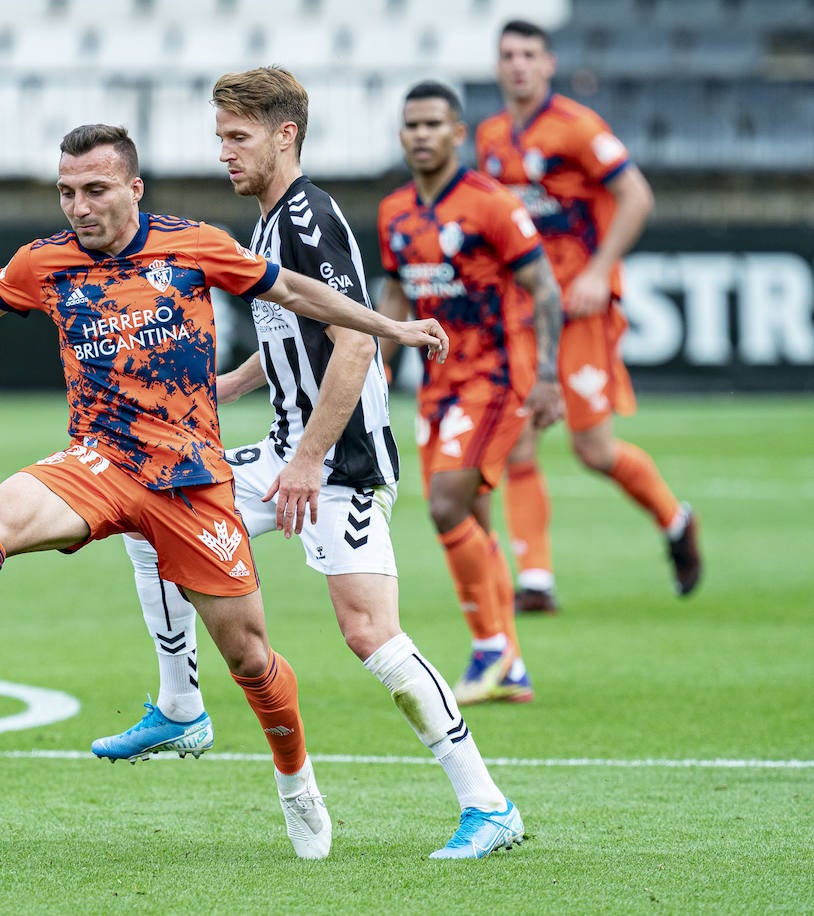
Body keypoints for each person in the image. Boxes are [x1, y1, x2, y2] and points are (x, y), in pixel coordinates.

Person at [0, 123, 450, 860]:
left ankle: (297, 780)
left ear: (134, 188)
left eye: (95, 190)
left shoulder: (194, 244)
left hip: (193, 483)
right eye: (67, 192)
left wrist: (387, 325)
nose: (79, 207)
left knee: (249, 659)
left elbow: (300, 293)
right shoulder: (42, 262)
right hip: (100, 463)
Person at [92, 68, 527, 859]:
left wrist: (309, 459)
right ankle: (181, 703)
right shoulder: (266, 225)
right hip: (293, 448)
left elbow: (355, 343)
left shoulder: (307, 219)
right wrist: (224, 384)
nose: (222, 152)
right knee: (149, 508)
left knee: (370, 635)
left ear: (283, 134)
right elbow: (292, 338)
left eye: (237, 137)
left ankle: (489, 804)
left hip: (344, 462)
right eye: (220, 135)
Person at [477, 19, 701, 612]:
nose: (518, 64)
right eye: (508, 55)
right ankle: (537, 581)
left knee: (593, 450)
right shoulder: (491, 137)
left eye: (529, 54)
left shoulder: (577, 127)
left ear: (548, 64)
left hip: (578, 307)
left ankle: (675, 520)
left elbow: (637, 195)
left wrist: (601, 270)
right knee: (518, 442)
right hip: (525, 311)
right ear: (497, 66)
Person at [375, 81, 564, 706]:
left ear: (458, 133)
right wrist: (374, 371)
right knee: (472, 520)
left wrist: (547, 377)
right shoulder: (393, 211)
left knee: (446, 506)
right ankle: (509, 666)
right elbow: (397, 301)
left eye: (433, 124)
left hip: (494, 381)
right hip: (437, 388)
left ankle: (488, 647)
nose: (421, 134)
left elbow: (544, 289)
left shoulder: (491, 203)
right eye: (412, 124)